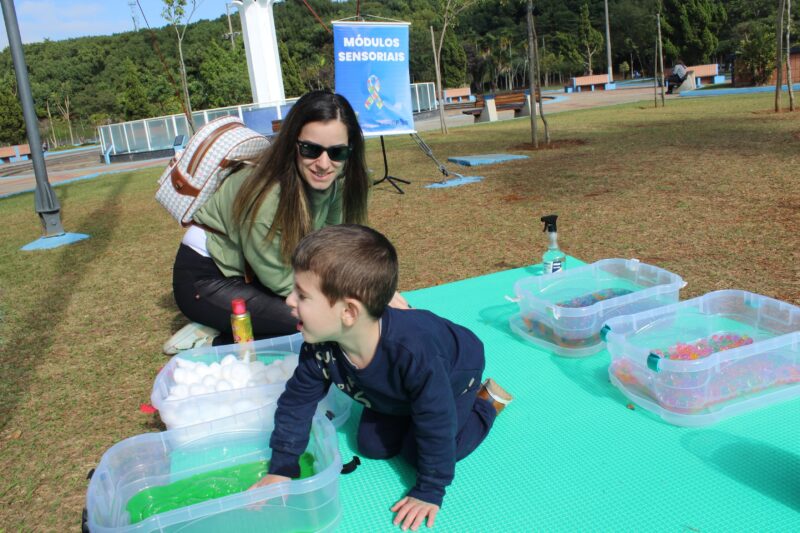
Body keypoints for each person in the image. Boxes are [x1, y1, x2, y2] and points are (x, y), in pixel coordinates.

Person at [250, 224, 513, 531]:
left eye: (303, 295)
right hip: (400, 387)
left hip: (456, 372)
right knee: (372, 446)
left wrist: (430, 490)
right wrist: (282, 467)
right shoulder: (319, 345)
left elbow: (437, 421)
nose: (288, 301)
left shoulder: (415, 355)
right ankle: (410, 406)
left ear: (349, 312)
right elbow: (297, 402)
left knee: (419, 453)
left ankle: (484, 405)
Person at [163, 90, 372, 353]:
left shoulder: (337, 181)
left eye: (337, 152)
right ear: (292, 144)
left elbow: (331, 249)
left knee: (331, 313)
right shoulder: (266, 194)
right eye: (310, 149)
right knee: (313, 321)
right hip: (206, 279)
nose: (323, 163)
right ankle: (211, 338)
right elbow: (280, 278)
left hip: (252, 274)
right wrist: (344, 303)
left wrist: (364, 293)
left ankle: (231, 321)